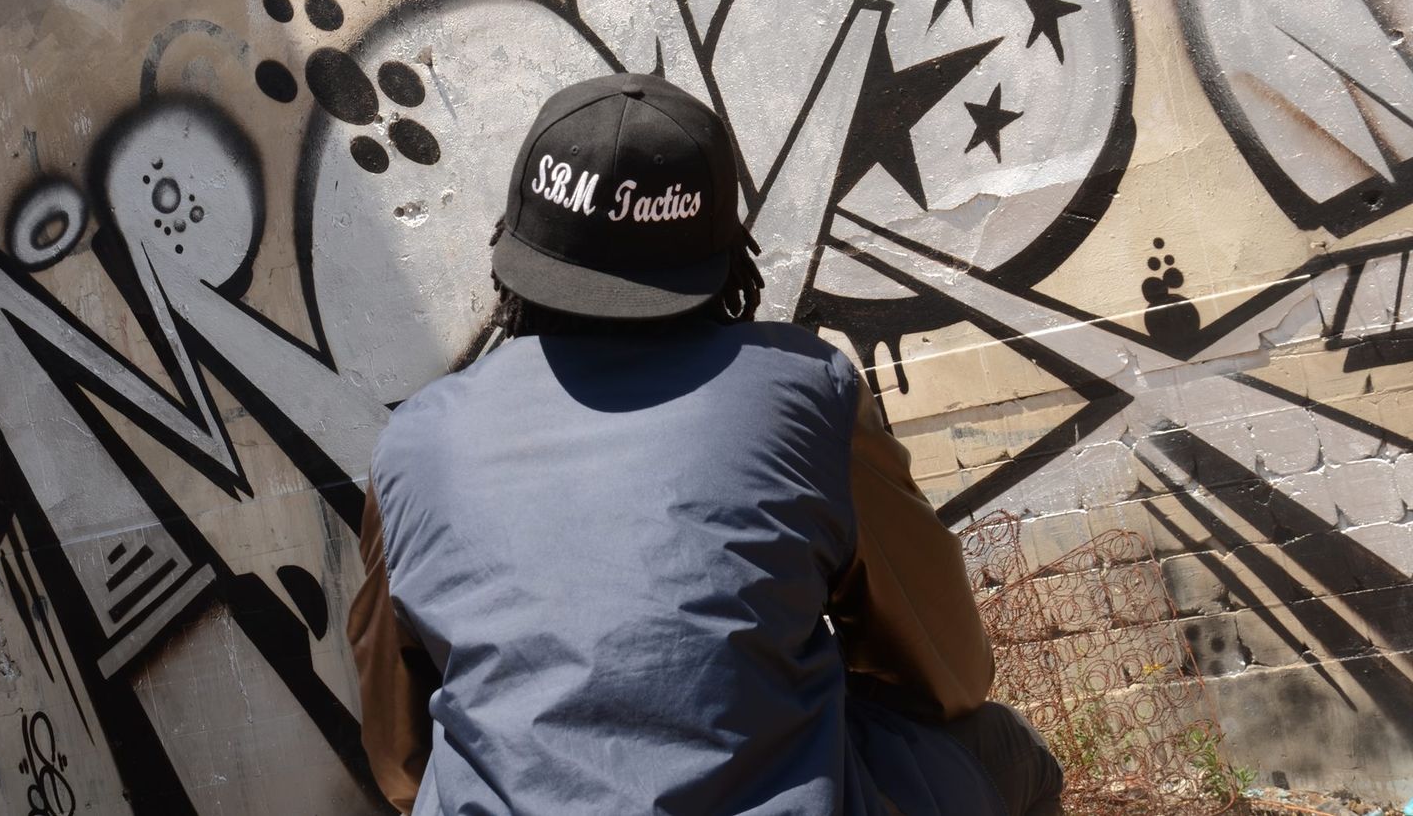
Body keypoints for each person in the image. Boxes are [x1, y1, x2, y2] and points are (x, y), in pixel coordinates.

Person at [347, 73, 1065, 815]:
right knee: (1004, 751)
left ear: (520, 245)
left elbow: (399, 760)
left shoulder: (415, 445)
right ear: (724, 251)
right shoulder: (804, 393)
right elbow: (951, 674)